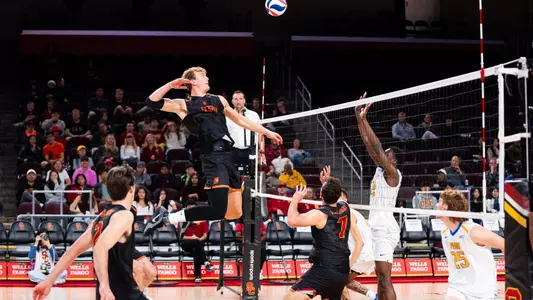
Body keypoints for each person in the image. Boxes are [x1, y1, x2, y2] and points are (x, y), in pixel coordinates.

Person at [143, 67, 282, 234]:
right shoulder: (184, 105)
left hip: (228, 155)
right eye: (203, 75)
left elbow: (240, 120)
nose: (207, 78)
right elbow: (151, 101)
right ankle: (167, 218)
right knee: (217, 210)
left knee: (234, 212)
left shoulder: (219, 100)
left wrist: (266, 132)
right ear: (192, 81)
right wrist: (172, 85)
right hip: (213, 157)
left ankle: (175, 217)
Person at [33, 168, 156, 300]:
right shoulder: (125, 215)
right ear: (132, 189)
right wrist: (104, 285)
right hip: (119, 295)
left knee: (148, 271)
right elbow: (100, 246)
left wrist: (49, 281)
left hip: (110, 295)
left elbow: (72, 252)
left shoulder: (100, 218)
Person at [356, 93, 401, 300]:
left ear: (394, 161)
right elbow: (369, 144)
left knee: (384, 277)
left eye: (388, 156)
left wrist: (365, 120)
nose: (384, 157)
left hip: (384, 230)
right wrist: (359, 118)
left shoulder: (393, 174)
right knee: (379, 278)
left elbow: (377, 148)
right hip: (374, 228)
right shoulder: (379, 171)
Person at [284, 180, 351, 300]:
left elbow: (292, 221)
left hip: (324, 272)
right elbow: (336, 194)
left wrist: (295, 199)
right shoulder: (345, 207)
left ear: (320, 195)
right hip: (342, 271)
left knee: (292, 296)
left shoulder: (319, 215)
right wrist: (327, 182)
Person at [320, 166, 377, 300]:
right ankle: (373, 295)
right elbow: (326, 203)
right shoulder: (338, 212)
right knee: (338, 280)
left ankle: (371, 295)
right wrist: (325, 183)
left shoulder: (348, 212)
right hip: (363, 254)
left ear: (345, 200)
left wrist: (348, 266)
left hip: (362, 254)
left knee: (335, 280)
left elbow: (360, 243)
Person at [437, 189, 504, 300]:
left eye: (439, 201)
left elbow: (504, 244)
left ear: (445, 207)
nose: (436, 205)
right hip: (457, 287)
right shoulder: (444, 231)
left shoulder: (473, 232)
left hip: (482, 290)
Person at [179, 199, 216, 283]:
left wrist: (198, 239)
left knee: (197, 250)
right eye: (189, 209)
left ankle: (198, 276)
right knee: (197, 244)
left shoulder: (202, 219)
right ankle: (206, 262)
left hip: (198, 244)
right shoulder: (183, 220)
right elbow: (181, 237)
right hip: (186, 244)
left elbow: (205, 235)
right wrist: (192, 238)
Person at [226, 90, 261, 166]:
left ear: (244, 100)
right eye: (236, 99)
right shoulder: (227, 116)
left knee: (252, 174)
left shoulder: (253, 115)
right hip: (234, 151)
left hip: (251, 150)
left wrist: (262, 152)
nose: (238, 101)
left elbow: (260, 134)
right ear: (232, 101)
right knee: (234, 175)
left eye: (240, 99)